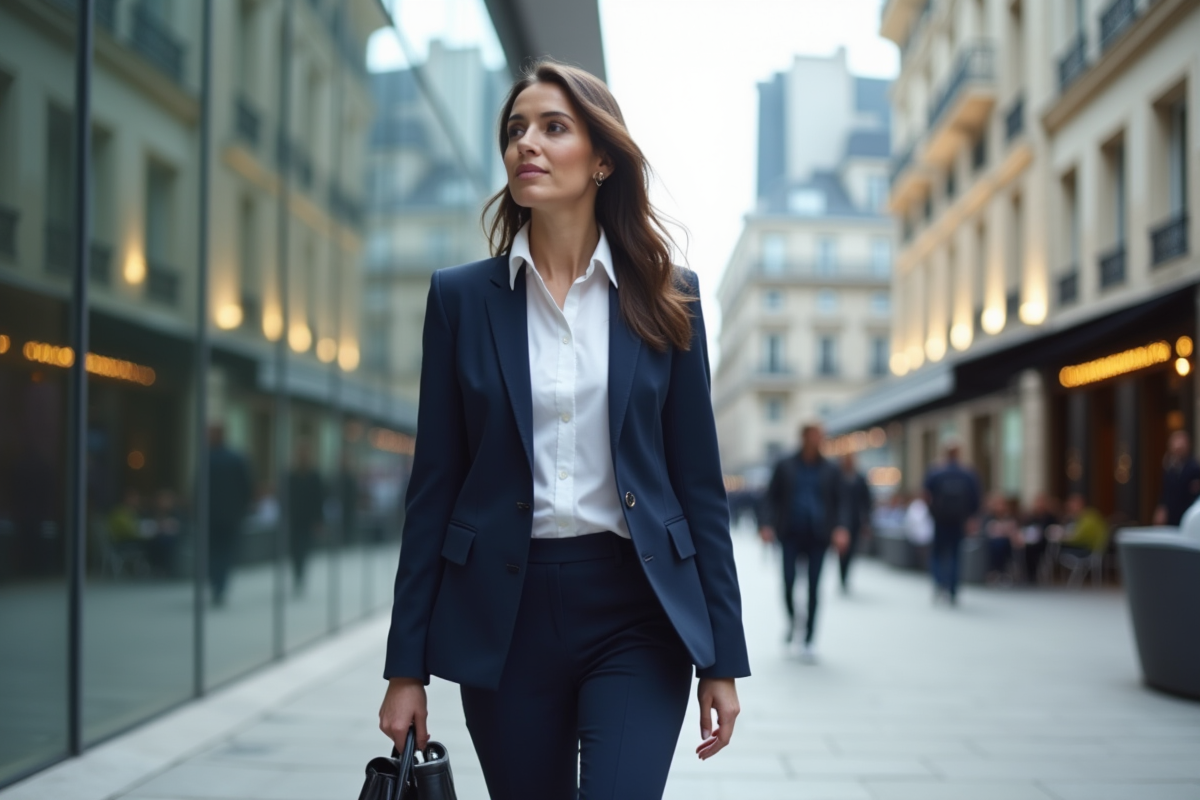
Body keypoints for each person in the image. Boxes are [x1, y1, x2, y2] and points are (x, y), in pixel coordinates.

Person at [377, 60, 749, 799]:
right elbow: (435, 487)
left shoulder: (669, 296)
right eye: (516, 130)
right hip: (502, 616)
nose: (527, 145)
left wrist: (722, 659)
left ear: (602, 158)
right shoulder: (460, 300)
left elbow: (699, 485)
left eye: (553, 127)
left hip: (637, 611)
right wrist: (405, 669)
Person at [758, 424, 848, 660]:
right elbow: (770, 498)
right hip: (790, 533)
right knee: (787, 584)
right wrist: (766, 525)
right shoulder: (785, 465)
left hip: (819, 536)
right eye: (814, 436)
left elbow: (840, 502)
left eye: (821, 436)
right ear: (804, 437)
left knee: (814, 588)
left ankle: (809, 637)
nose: (818, 440)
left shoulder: (831, 469)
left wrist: (840, 528)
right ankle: (793, 620)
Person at [923, 437, 982, 605]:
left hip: (940, 520)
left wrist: (931, 513)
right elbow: (976, 499)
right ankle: (953, 588)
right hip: (959, 520)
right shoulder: (968, 473)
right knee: (955, 553)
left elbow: (926, 496)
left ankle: (939, 583)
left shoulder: (935, 472)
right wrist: (971, 518)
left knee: (937, 553)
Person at [208, 424, 252, 606]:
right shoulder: (235, 458)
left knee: (217, 551)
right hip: (227, 515)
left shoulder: (209, 458)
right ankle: (219, 585)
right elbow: (247, 487)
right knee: (223, 552)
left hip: (215, 515)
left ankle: (218, 585)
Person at [286, 442, 324, 594]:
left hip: (308, 519)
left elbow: (319, 499)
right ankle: (297, 573)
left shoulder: (314, 476)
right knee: (295, 548)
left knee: (304, 547)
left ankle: (300, 574)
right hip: (294, 518)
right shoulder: (291, 475)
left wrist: (319, 520)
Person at [836, 452, 872, 592]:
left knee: (851, 551)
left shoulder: (859, 479)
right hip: (840, 521)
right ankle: (842, 576)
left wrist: (866, 521)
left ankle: (845, 576)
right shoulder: (838, 478)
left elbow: (867, 501)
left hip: (855, 520)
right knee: (842, 551)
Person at [1153, 430, 1200, 526]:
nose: (1178, 448)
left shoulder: (1194, 468)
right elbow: (1165, 491)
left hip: (1188, 517)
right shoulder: (1169, 468)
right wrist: (1162, 507)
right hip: (1171, 517)